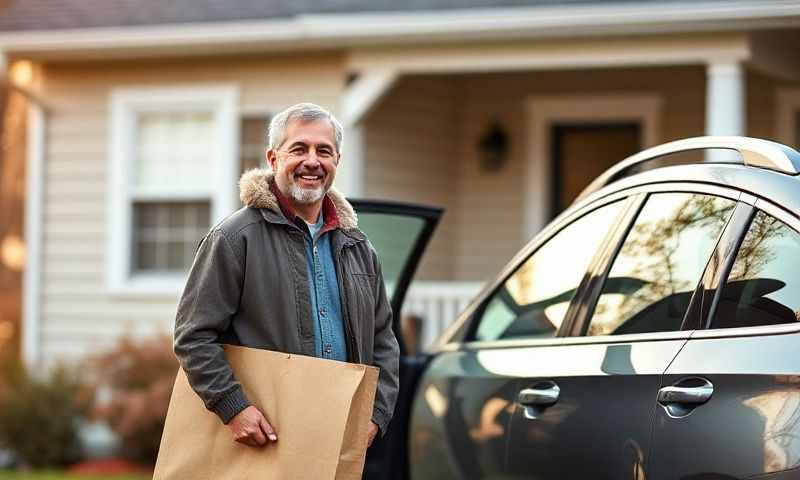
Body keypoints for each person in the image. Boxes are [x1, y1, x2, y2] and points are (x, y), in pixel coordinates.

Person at [173, 102, 399, 449]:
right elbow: (193, 337)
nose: (312, 161)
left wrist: (375, 416)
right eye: (299, 148)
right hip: (264, 432)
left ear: (336, 161)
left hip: (339, 430)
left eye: (324, 151)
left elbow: (383, 339)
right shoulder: (235, 238)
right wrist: (234, 408)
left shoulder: (359, 247)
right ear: (273, 158)